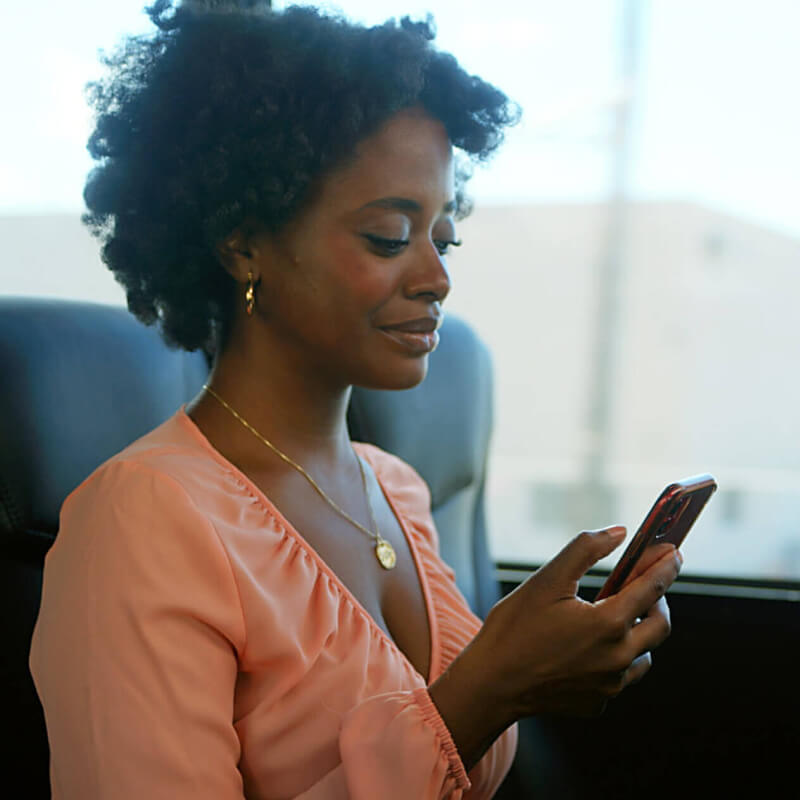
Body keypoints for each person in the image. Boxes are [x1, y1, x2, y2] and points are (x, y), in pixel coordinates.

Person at [29, 2, 682, 798]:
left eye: (443, 240)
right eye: (387, 236)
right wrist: (489, 692)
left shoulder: (396, 488)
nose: (437, 278)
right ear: (244, 241)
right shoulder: (141, 520)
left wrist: (540, 670)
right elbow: (458, 722)